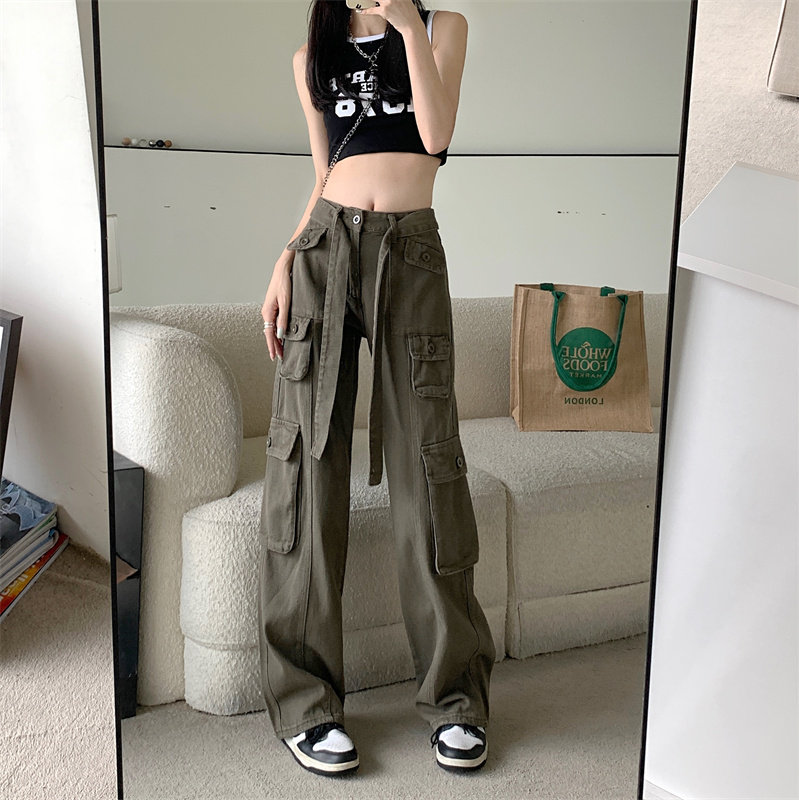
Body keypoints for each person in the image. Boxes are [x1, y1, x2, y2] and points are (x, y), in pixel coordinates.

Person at [257, 0, 495, 777]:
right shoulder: (311, 56)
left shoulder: (441, 28)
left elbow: (436, 136)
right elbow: (323, 172)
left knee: (430, 465)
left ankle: (456, 699)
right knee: (307, 463)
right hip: (323, 251)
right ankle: (306, 704)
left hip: (410, 250)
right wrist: (286, 258)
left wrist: (405, 27)